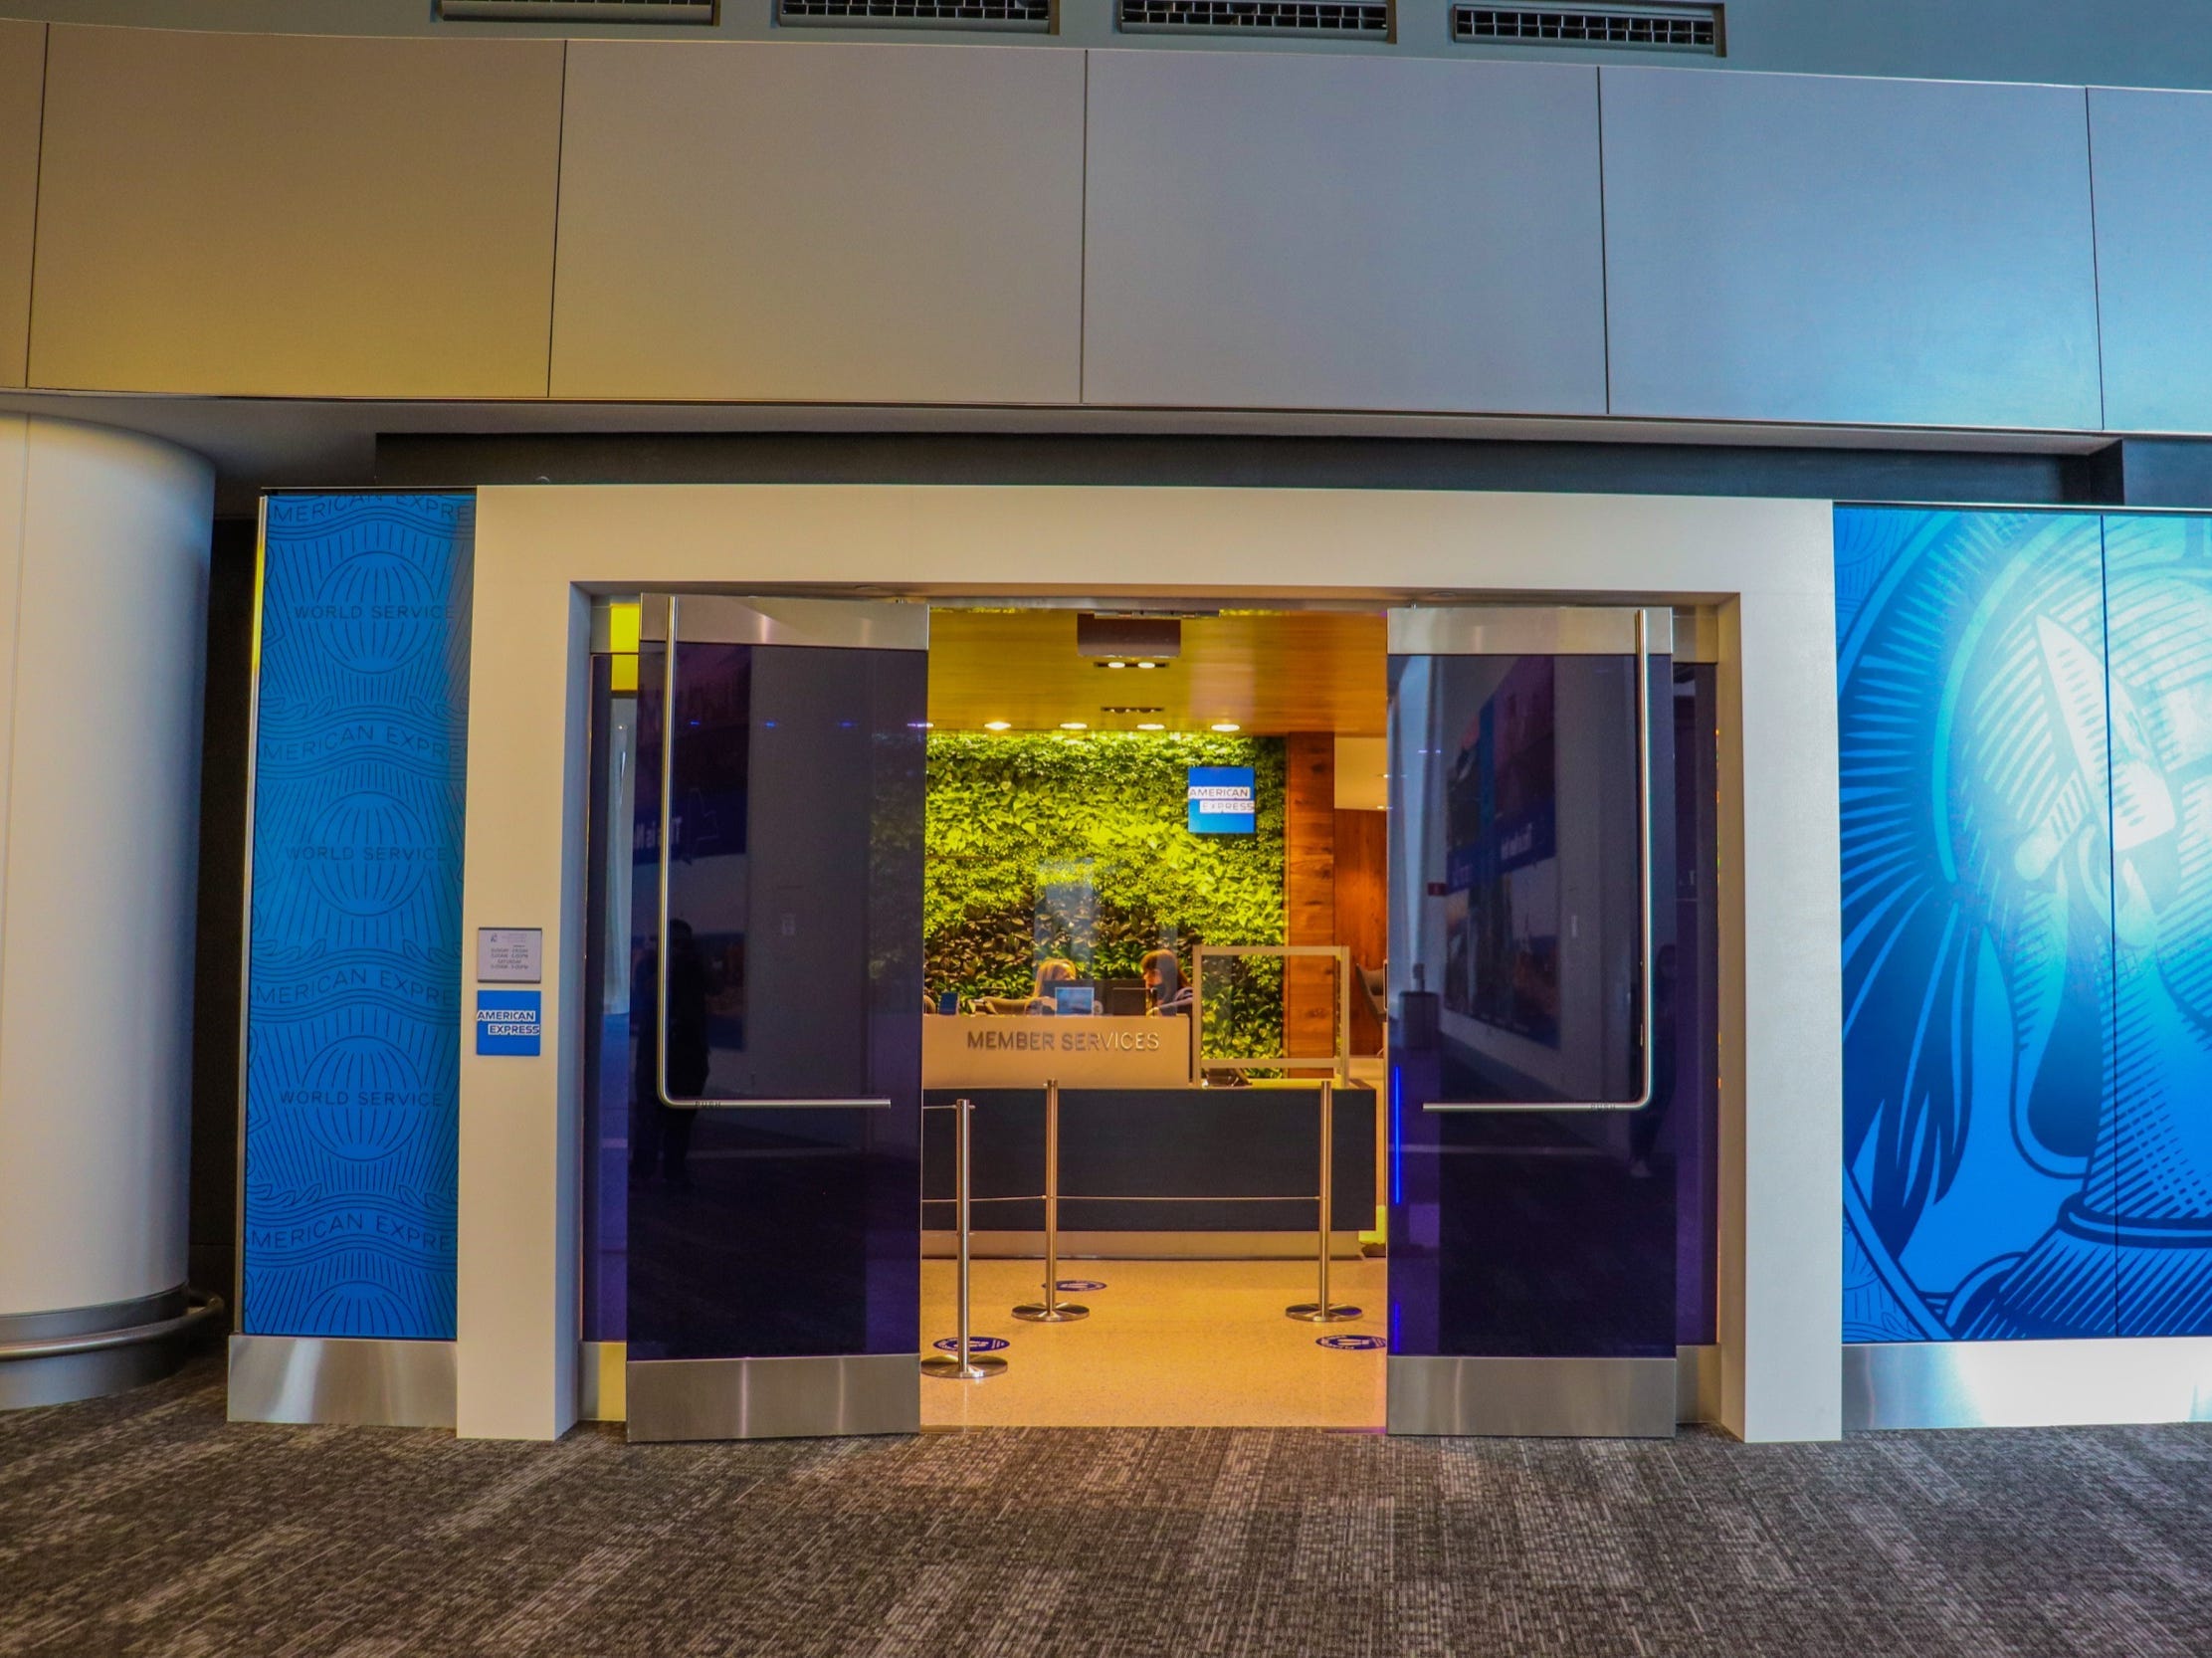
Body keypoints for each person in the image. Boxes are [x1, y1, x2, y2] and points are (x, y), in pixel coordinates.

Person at [1140, 947, 1193, 1015]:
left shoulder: (1182, 994)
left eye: (1153, 973)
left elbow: (1193, 1004)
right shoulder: (1150, 1000)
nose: (1146, 977)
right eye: (1145, 972)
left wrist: (1159, 1010)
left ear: (1168, 975)